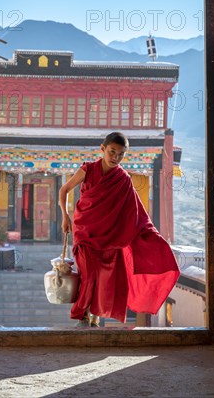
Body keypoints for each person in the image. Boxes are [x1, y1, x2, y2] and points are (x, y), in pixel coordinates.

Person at [59, 131, 180, 327]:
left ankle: (94, 315)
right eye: (112, 152)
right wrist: (65, 215)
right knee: (89, 273)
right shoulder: (88, 169)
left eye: (121, 154)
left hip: (109, 236)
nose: (115, 158)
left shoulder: (123, 179)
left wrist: (152, 236)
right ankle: (83, 314)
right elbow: (64, 190)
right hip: (84, 231)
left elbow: (136, 213)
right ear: (102, 149)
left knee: (103, 277)